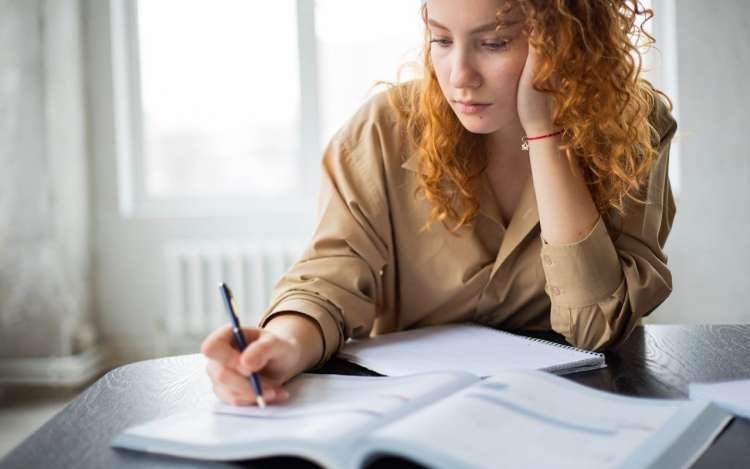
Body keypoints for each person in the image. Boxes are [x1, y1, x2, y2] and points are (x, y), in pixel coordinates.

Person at [202, 0, 677, 406]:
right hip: (410, 411)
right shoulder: (386, 129)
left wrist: (545, 130)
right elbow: (330, 276)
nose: (460, 76)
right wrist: (283, 343)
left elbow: (596, 324)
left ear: (566, 40)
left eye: (493, 43)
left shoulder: (634, 127)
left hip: (572, 412)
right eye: (442, 40)